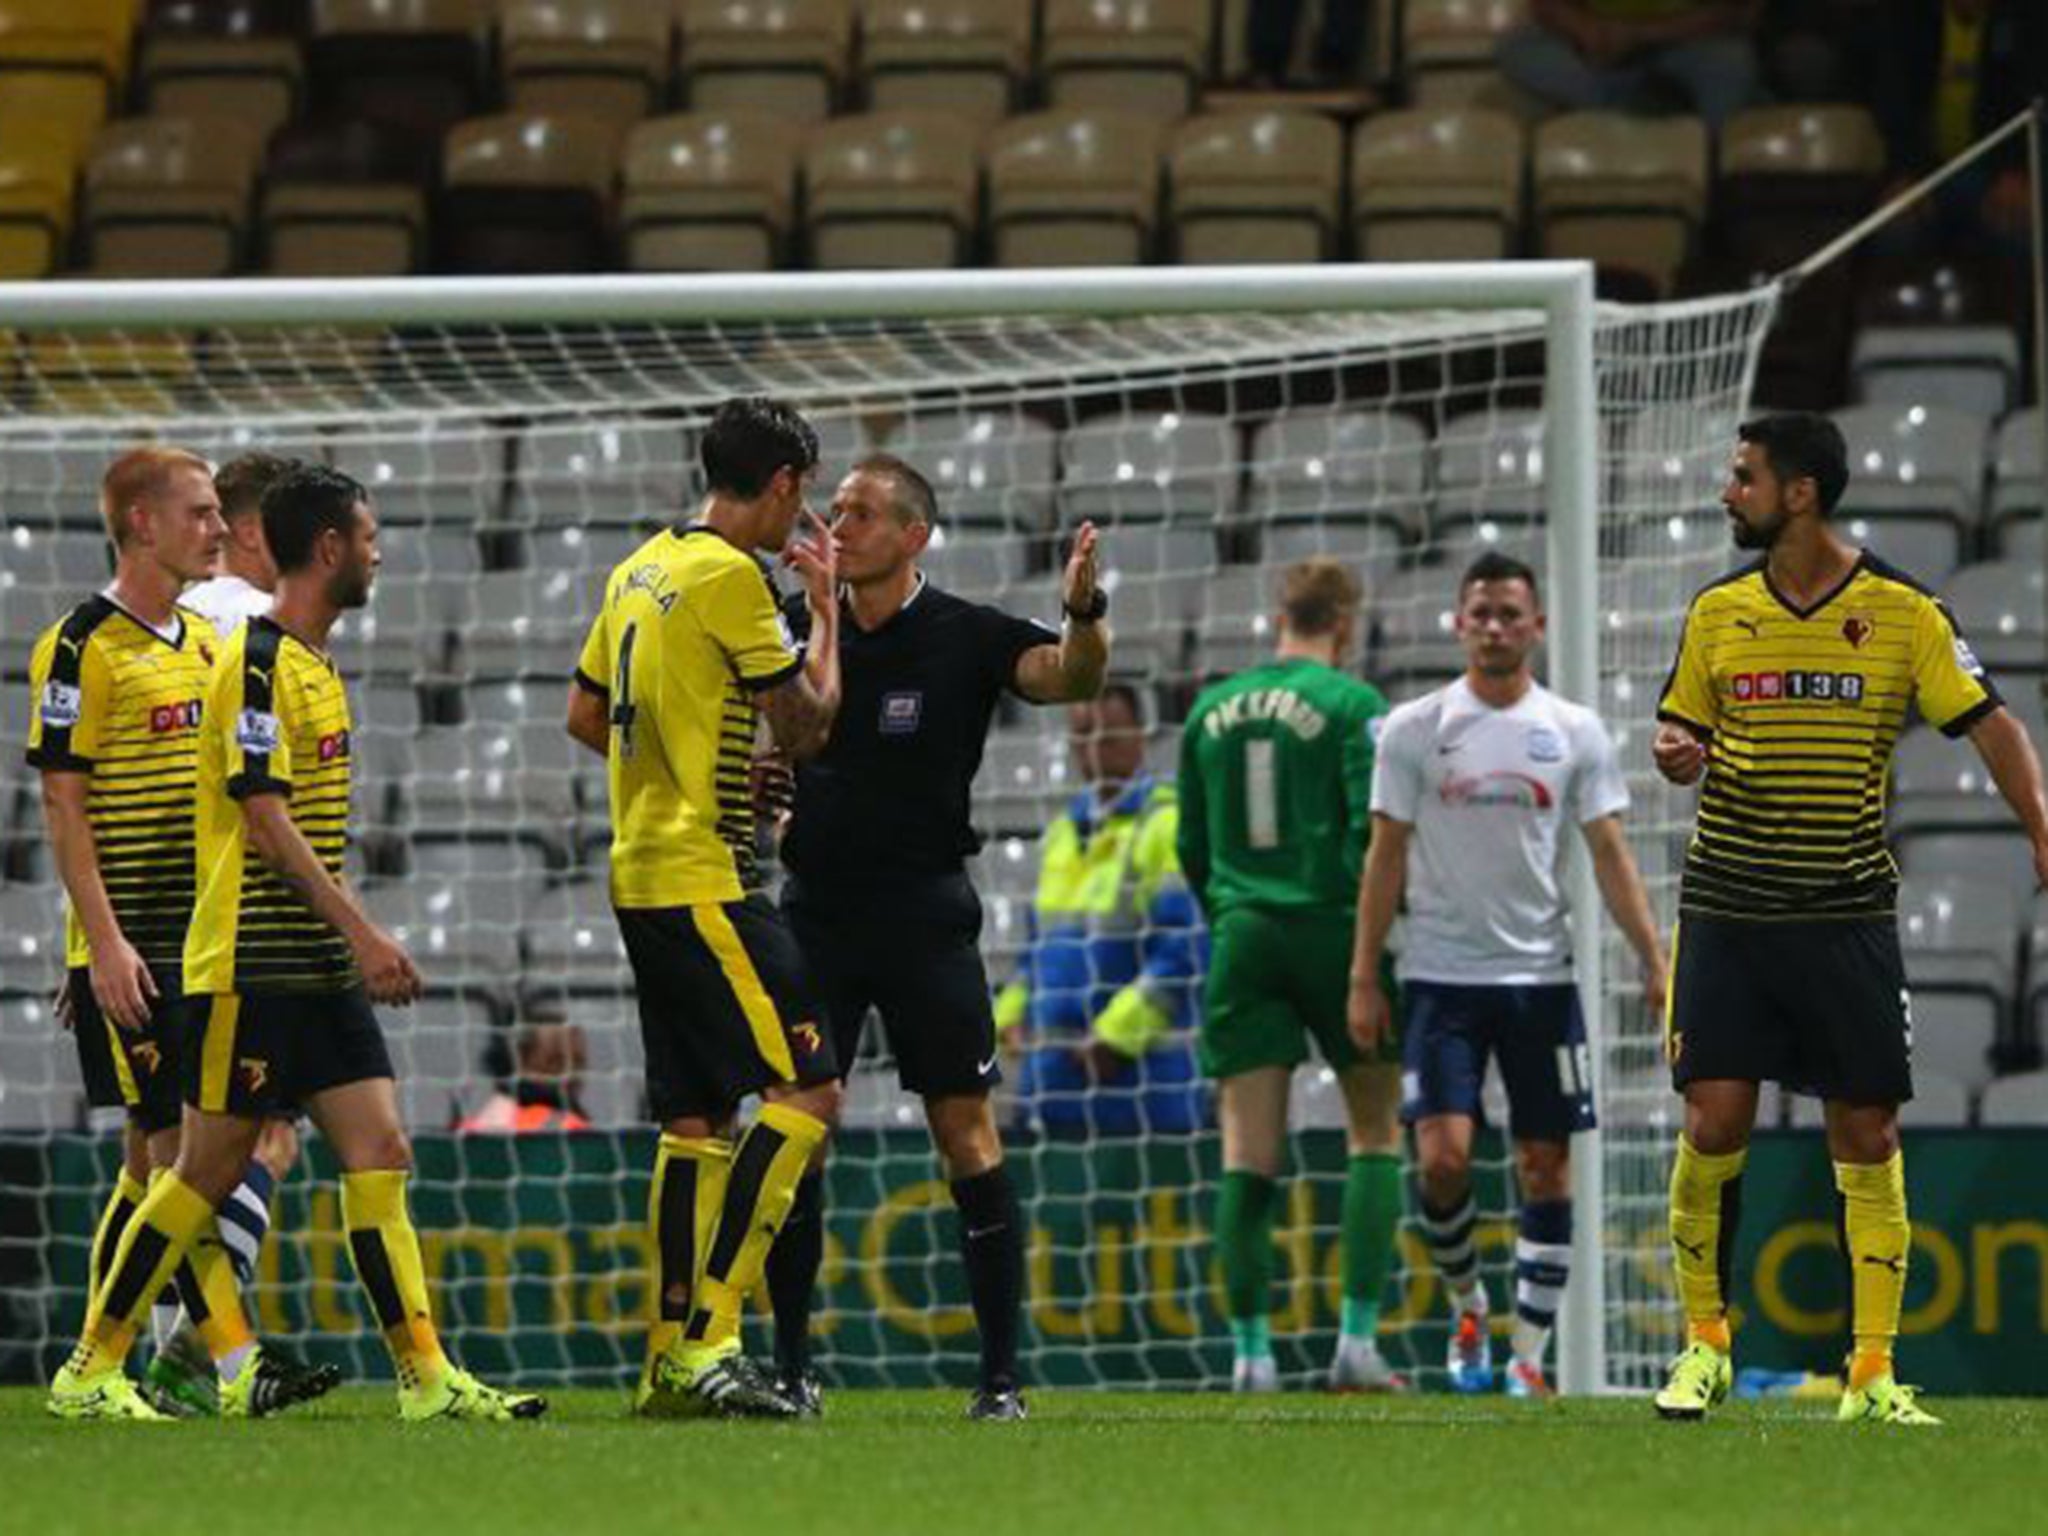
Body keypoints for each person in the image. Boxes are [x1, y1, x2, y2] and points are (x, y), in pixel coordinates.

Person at [48, 463, 544, 1424]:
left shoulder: (313, 663)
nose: (378, 552)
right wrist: (362, 932)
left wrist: (345, 940)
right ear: (328, 549)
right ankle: (90, 1365)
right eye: (367, 537)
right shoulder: (258, 660)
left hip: (312, 961)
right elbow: (264, 814)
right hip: (247, 963)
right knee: (200, 1170)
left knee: (382, 1148)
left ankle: (426, 1378)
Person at [1650, 413, 2048, 1426]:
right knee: (1712, 1121)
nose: (1724, 493)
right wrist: (1673, 750)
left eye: (1742, 478)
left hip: (1842, 912)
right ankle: (1703, 1347)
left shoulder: (1900, 612)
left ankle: (1869, 1371)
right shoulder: (1716, 612)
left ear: (1798, 493)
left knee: (1865, 1132)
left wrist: (2040, 828)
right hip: (1728, 905)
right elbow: (1678, 727)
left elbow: (1990, 722)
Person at [765, 453, 1109, 1421]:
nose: (839, 527)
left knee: (964, 1133)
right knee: (798, 1126)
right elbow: (752, 734)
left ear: (914, 536)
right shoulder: (793, 630)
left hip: (923, 914)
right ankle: (790, 1369)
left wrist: (1084, 609)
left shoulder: (963, 634)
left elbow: (1069, 678)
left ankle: (999, 1380)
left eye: (862, 514)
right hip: (816, 912)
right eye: (834, 511)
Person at [30, 447, 338, 1422]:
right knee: (176, 1157)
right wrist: (100, 943)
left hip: (202, 943)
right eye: (200, 514)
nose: (221, 529)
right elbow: (61, 802)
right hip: (133, 946)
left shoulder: (208, 646)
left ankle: (125, 1366)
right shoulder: (79, 644)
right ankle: (220, 1365)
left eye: (218, 511)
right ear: (140, 524)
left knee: (160, 1164)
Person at [566, 396, 846, 1420]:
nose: (800, 516)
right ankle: (709, 1340)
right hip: (706, 875)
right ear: (781, 484)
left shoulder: (639, 566)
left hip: (640, 868)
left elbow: (584, 713)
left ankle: (666, 1361)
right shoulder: (734, 577)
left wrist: (700, 771)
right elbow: (808, 726)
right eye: (801, 496)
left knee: (695, 1120)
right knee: (809, 1088)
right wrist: (822, 616)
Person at [1348, 551, 1668, 1399]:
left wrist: (1654, 956)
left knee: (1546, 1166)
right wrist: (1362, 977)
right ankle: (1467, 1306)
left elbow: (1610, 853)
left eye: (1509, 614)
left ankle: (1528, 1354)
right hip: (1440, 981)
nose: (1494, 627)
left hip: (1542, 980)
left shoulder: (1575, 730)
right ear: (1459, 623)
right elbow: (1385, 857)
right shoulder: (1414, 729)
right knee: (1444, 1161)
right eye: (1480, 612)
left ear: (1536, 626)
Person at [1177, 558, 1406, 1395]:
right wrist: (1362, 948)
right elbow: (1371, 838)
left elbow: (1190, 849)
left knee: (1248, 1158)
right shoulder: (1356, 707)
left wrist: (1235, 913)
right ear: (1345, 623)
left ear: (1281, 614)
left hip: (1244, 933)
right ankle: (1355, 1342)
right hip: (1338, 931)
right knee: (1376, 1132)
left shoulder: (1207, 711)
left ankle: (1250, 1356)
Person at [144, 449, 305, 1416]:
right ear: (256, 533)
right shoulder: (253, 625)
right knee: (259, 1141)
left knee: (159, 1160)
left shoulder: (152, 621)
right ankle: (176, 1358)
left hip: (139, 910)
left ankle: (137, 1359)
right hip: (229, 920)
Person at [995, 681, 1205, 1138]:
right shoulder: (1060, 838)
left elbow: (1184, 952)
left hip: (1145, 1083)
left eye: (1109, 735)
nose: (1094, 748)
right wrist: (1010, 1016)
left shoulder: (1165, 825)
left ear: (1140, 739)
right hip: (1054, 1082)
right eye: (1083, 734)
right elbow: (1035, 952)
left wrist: (1116, 1038)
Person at [1496, 1, 1763, 130]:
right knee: (1517, 49)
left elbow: (1734, 13)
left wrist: (1640, 34)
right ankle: (1623, 100)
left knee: (1732, 66)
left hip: (1689, 41)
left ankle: (1709, 181)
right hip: (1594, 40)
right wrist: (1586, 30)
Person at [457, 1009, 593, 1134]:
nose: (571, 1072)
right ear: (522, 1061)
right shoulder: (571, 1128)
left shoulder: (476, 1122)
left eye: (578, 1062)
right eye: (555, 1061)